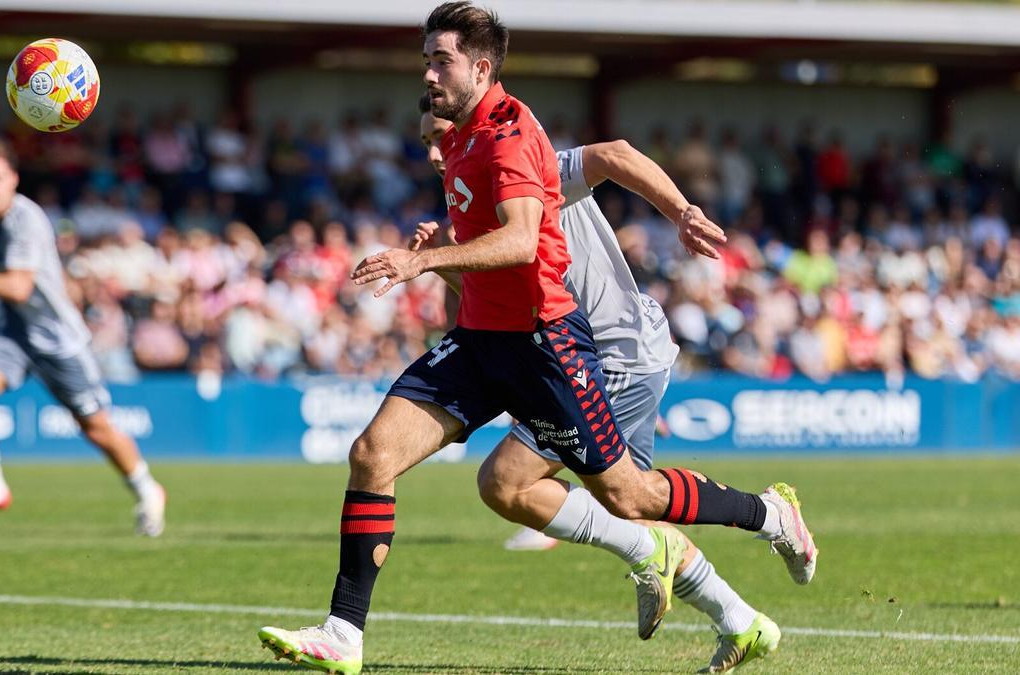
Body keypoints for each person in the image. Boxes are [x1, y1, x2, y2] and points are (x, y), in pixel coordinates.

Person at [257, 4, 814, 673]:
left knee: (631, 496)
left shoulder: (513, 134)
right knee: (378, 454)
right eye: (426, 60)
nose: (430, 75)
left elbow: (524, 241)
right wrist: (443, 256)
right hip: (485, 343)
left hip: (555, 345)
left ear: (482, 68)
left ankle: (764, 515)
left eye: (442, 60)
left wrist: (426, 260)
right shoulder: (461, 143)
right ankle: (343, 634)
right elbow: (470, 288)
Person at [413, 94, 778, 672]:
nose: (436, 153)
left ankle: (765, 516)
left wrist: (681, 211)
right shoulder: (469, 201)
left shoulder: (529, 165)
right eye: (427, 143)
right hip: (572, 360)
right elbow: (477, 307)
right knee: (629, 502)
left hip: (614, 355)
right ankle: (740, 619)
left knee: (512, 482)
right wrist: (441, 260)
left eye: (443, 133)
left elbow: (612, 153)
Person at [0, 137, 166, 537]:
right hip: (13, 335)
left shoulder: (28, 220)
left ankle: (147, 487)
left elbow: (18, 287)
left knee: (96, 427)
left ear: (14, 179)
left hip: (57, 338)